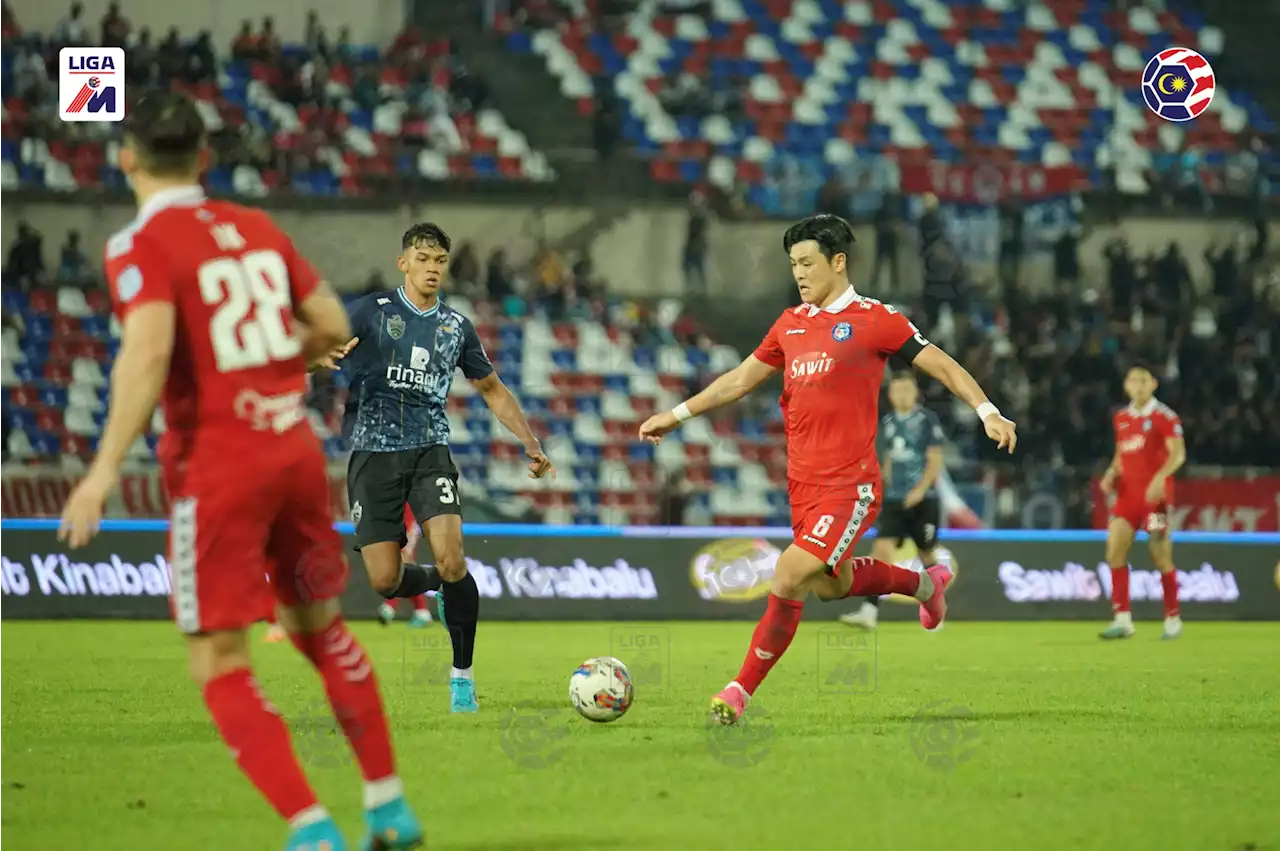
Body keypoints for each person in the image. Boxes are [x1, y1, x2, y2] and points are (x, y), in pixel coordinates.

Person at [56, 92, 423, 851]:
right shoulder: (255, 228)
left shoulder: (137, 246)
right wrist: (264, 353)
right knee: (322, 630)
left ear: (125, 158)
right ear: (205, 160)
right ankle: (389, 806)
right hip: (292, 451)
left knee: (220, 660)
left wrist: (99, 471)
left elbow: (150, 352)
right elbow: (328, 323)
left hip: (220, 465)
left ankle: (312, 829)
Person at [638, 215, 1017, 726]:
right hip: (804, 487)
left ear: (838, 262)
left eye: (808, 262)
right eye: (793, 264)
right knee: (830, 587)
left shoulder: (876, 319)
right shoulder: (790, 324)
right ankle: (924, 586)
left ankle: (738, 692)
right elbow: (739, 381)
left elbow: (942, 364)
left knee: (789, 573)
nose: (799, 273)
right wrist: (676, 415)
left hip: (851, 485)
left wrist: (986, 410)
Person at [322, 222, 553, 713]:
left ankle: (462, 679)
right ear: (403, 262)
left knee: (453, 557)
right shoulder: (372, 312)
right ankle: (442, 587)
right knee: (385, 580)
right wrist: (315, 354)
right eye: (422, 259)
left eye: (439, 261)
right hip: (372, 453)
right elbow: (317, 348)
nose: (432, 269)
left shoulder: (455, 326)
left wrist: (530, 442)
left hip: (430, 451)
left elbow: (491, 389)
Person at [841, 370, 946, 631]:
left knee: (926, 553)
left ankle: (936, 609)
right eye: (897, 390)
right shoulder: (886, 423)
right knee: (881, 553)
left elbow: (935, 459)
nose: (902, 395)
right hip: (893, 499)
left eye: (907, 390)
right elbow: (884, 460)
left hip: (924, 499)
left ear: (915, 393)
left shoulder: (926, 420)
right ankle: (869, 611)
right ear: (890, 394)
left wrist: (920, 490)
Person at [1098, 363, 1186, 640]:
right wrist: (1111, 473)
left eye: (1143, 381)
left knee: (1160, 555)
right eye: (1133, 381)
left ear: (1153, 384)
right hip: (1127, 497)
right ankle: (1123, 619)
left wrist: (1161, 478)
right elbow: (1120, 454)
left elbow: (1178, 455)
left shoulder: (1165, 417)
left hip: (1154, 499)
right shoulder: (1121, 417)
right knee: (1114, 552)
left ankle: (1173, 618)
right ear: (1126, 386)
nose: (1137, 386)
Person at [342, 374, 433, 628]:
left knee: (403, 558)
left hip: (410, 515)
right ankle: (419, 611)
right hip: (394, 514)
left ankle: (391, 608)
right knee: (401, 560)